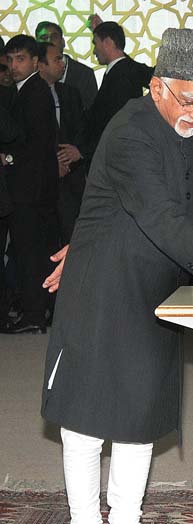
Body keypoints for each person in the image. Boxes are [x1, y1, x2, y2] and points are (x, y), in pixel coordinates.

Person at [39, 28, 193, 524]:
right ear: (158, 86)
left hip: (153, 290)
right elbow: (159, 214)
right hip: (102, 288)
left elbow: (186, 217)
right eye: (190, 102)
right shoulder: (131, 130)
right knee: (86, 421)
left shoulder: (188, 129)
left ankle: (126, 516)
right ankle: (84, 518)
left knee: (139, 418)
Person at [0, 34, 60, 334]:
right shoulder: (29, 90)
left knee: (29, 253)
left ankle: (34, 315)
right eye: (10, 60)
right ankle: (37, 312)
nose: (13, 65)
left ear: (35, 62)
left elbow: (33, 146)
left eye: (20, 59)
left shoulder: (33, 92)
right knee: (31, 252)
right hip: (32, 189)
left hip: (29, 191)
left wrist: (7, 158)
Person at [37, 41, 87, 243]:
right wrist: (51, 164)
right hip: (41, 184)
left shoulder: (70, 93)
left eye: (62, 58)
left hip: (72, 181)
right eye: (57, 59)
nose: (63, 63)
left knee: (74, 238)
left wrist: (78, 151)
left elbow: (83, 130)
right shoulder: (26, 95)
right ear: (40, 65)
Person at [82, 21, 153, 163]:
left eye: (95, 43)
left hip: (117, 159)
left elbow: (112, 122)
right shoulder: (123, 70)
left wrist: (83, 151)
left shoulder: (121, 76)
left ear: (107, 42)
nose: (94, 51)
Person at [35, 21, 98, 112]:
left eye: (54, 37)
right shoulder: (31, 71)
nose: (49, 41)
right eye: (44, 38)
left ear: (63, 42)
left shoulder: (84, 74)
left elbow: (92, 111)